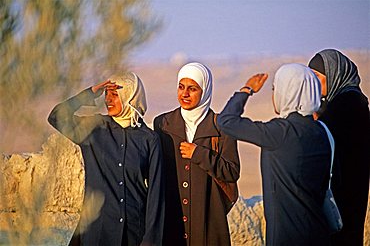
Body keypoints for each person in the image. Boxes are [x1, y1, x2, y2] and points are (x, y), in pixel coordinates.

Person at [218, 63, 332, 245]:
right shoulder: (322, 131)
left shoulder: (281, 133)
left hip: (287, 236)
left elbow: (226, 122)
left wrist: (246, 90)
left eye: (275, 89)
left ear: (287, 92)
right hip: (319, 232)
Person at [48, 72, 164, 246]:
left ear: (130, 96)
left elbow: (156, 194)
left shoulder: (149, 139)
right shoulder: (94, 129)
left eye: (115, 94)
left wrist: (151, 240)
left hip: (134, 234)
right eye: (107, 94)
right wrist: (90, 94)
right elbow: (56, 116)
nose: (108, 99)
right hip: (97, 232)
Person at [153, 62, 240, 246]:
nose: (184, 94)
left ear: (205, 91)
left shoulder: (222, 127)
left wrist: (199, 154)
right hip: (172, 222)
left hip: (209, 222)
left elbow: (232, 172)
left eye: (192, 89)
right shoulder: (163, 124)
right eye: (181, 87)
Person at [308, 49, 370, 246]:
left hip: (344, 193)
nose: (314, 83)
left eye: (318, 77)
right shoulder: (346, 102)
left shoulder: (347, 105)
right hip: (348, 191)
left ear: (334, 74)